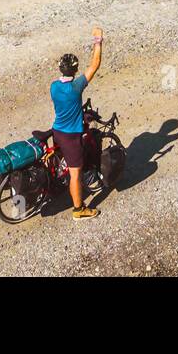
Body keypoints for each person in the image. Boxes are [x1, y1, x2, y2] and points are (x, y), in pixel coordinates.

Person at [51, 27, 103, 220]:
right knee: (75, 174)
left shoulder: (54, 87)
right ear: (74, 70)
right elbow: (95, 64)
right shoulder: (76, 87)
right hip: (70, 136)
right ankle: (79, 209)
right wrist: (98, 40)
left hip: (57, 130)